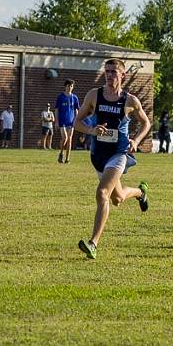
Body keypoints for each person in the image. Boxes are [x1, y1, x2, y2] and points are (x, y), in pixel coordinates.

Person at [74, 58, 151, 260]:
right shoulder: (94, 95)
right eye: (107, 71)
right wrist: (91, 130)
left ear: (122, 75)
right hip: (97, 154)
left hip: (118, 153)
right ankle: (140, 192)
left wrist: (136, 140)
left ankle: (93, 244)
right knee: (117, 199)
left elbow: (146, 123)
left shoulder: (130, 100)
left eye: (114, 72)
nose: (109, 75)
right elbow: (77, 122)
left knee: (102, 194)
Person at [54, 80, 81, 163]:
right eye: (68, 86)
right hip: (62, 121)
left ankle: (67, 158)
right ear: (65, 86)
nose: (70, 87)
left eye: (71, 86)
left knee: (70, 139)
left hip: (71, 121)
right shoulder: (60, 97)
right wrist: (56, 121)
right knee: (64, 137)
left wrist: (76, 120)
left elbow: (77, 110)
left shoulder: (74, 98)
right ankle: (61, 153)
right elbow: (57, 109)